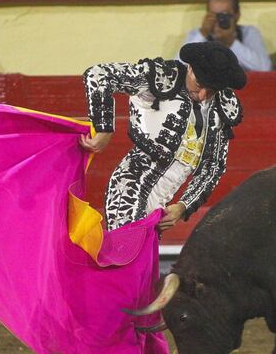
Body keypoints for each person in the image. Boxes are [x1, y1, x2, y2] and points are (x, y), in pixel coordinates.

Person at [80, 41, 246, 233]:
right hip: (130, 188)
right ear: (189, 68)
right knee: (128, 248)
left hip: (161, 204)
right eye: (199, 85)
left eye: (211, 91)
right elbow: (99, 75)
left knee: (140, 251)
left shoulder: (221, 106)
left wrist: (183, 206)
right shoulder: (162, 77)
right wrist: (104, 127)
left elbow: (213, 167)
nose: (202, 95)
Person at [181, 0, 272, 71]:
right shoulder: (197, 35)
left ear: (237, 15)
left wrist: (231, 42)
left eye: (224, 15)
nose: (219, 20)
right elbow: (179, 67)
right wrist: (202, 34)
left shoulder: (247, 33)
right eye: (214, 15)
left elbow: (264, 68)